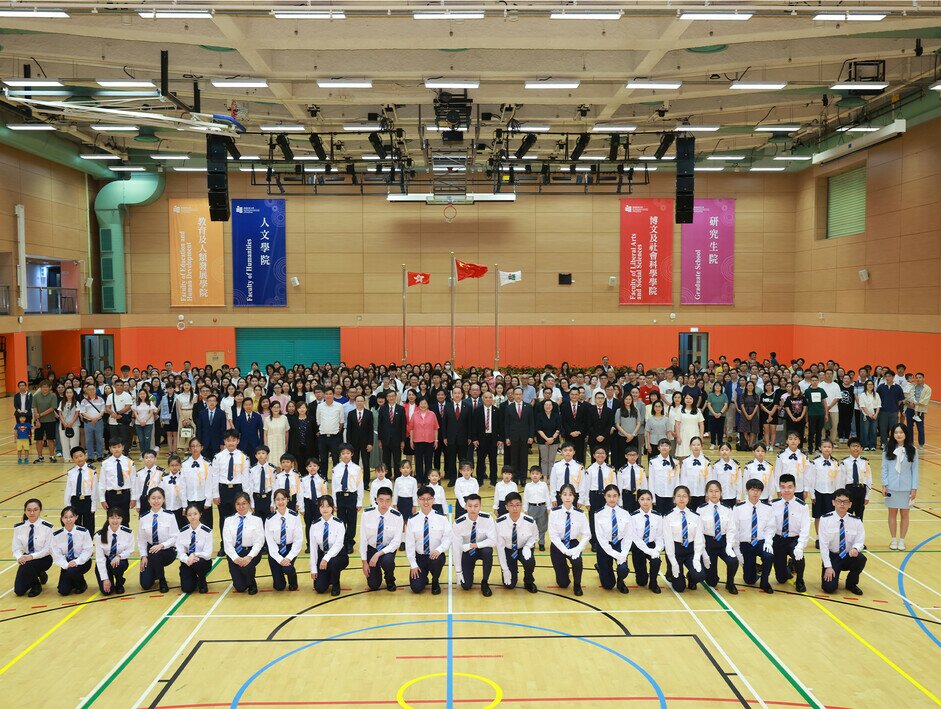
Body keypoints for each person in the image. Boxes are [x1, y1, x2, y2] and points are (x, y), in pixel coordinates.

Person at [209, 430, 251, 554]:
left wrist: (246, 496)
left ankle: (239, 544)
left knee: (239, 518)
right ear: (224, 441)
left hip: (238, 490)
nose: (231, 443)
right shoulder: (218, 457)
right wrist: (215, 494)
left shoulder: (243, 457)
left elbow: (245, 478)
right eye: (228, 440)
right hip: (223, 490)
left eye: (233, 440)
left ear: (238, 441)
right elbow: (214, 476)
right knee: (224, 519)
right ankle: (225, 545)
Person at [819, 488, 866, 595]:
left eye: (845, 502)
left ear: (850, 505)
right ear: (833, 502)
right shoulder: (825, 520)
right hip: (833, 557)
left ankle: (851, 583)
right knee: (829, 588)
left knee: (861, 558)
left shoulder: (856, 521)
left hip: (848, 556)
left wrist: (855, 549)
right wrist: (828, 566)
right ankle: (832, 574)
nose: (842, 504)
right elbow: (823, 546)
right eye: (839, 501)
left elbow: (860, 540)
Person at [405, 486, 452, 595]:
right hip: (419, 557)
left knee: (437, 560)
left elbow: (448, 538)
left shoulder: (441, 518)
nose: (426, 502)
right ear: (418, 500)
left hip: (435, 555)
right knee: (416, 588)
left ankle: (435, 581)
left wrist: (439, 549)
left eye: (429, 498)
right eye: (422, 499)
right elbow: (410, 544)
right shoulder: (412, 520)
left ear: (433, 500)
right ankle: (423, 576)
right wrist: (413, 565)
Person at [732, 479, 775, 593]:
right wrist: (737, 551)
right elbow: (734, 530)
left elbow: (770, 528)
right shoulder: (738, 508)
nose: (755, 493)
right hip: (745, 543)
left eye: (758, 490)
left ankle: (764, 582)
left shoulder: (768, 508)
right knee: (749, 580)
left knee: (769, 556)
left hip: (761, 542)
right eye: (752, 490)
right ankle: (754, 569)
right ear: (747, 491)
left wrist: (768, 542)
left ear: (761, 492)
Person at [548, 483, 590, 596]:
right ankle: (564, 569)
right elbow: (553, 535)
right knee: (563, 584)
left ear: (574, 497)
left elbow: (587, 534)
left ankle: (577, 584)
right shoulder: (554, 512)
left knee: (577, 561)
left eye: (570, 495)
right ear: (560, 496)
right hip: (558, 545)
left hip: (573, 543)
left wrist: (578, 549)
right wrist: (565, 550)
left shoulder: (580, 514)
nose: (567, 497)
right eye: (565, 494)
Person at [882, 423, 919, 551]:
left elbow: (915, 470)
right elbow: (884, 468)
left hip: (906, 487)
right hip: (891, 487)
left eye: (901, 432)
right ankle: (893, 539)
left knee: (905, 514)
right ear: (892, 434)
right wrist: (885, 485)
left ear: (905, 434)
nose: (898, 434)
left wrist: (914, 488)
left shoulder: (912, 450)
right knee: (892, 513)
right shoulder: (887, 449)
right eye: (896, 432)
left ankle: (902, 540)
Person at [771, 474, 810, 593]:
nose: (786, 490)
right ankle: (789, 567)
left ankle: (799, 580)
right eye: (783, 487)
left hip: (794, 539)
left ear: (795, 487)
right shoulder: (773, 504)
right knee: (781, 579)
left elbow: (805, 528)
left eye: (789, 487)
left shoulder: (802, 506)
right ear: (779, 488)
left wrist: (800, 546)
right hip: (779, 539)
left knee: (799, 556)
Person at [662, 486, 706, 592]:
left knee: (700, 575)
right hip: (675, 550)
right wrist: (673, 561)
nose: (681, 499)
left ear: (688, 499)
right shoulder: (668, 517)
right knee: (680, 588)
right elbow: (668, 542)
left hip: (690, 550)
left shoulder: (696, 516)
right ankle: (671, 571)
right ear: (674, 498)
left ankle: (691, 577)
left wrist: (696, 559)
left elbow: (699, 539)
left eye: (684, 496)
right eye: (678, 496)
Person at [698, 480, 739, 594]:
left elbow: (731, 529)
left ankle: (730, 583)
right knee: (711, 582)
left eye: (716, 491)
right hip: (708, 543)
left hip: (723, 542)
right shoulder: (701, 509)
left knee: (733, 561)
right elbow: (699, 532)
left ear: (721, 493)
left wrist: (729, 546)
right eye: (710, 491)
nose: (714, 494)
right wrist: (703, 550)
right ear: (707, 493)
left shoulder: (727, 509)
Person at [359, 488, 404, 592]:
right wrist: (364, 562)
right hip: (371, 548)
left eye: (388, 500)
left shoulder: (397, 516)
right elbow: (363, 539)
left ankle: (390, 579)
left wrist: (378, 554)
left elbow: (396, 542)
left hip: (387, 549)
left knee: (387, 561)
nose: (384, 504)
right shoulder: (367, 514)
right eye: (381, 500)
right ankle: (376, 572)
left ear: (391, 501)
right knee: (374, 585)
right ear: (376, 500)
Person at [452, 493, 496, 596]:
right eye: (470, 506)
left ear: (480, 506)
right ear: (465, 506)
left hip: (481, 549)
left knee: (488, 551)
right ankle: (468, 575)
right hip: (467, 552)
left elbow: (493, 541)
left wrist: (473, 545)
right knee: (466, 586)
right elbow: (456, 548)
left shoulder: (488, 518)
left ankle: (485, 582)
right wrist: (458, 571)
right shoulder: (458, 523)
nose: (473, 509)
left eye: (476, 506)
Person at [138, 487, 179, 594]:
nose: (156, 501)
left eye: (159, 498)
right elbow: (141, 539)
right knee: (145, 585)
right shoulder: (143, 517)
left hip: (167, 550)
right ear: (148, 500)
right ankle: (156, 571)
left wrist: (161, 546)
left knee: (156, 553)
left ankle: (162, 580)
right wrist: (143, 556)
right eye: (153, 498)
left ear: (164, 499)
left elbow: (175, 537)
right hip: (150, 550)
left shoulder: (170, 516)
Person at [223, 492, 265, 594]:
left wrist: (249, 557)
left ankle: (252, 584)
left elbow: (259, 542)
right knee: (240, 588)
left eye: (244, 503)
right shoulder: (228, 521)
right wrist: (235, 558)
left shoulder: (257, 520)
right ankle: (243, 577)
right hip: (235, 554)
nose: (241, 506)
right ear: (235, 505)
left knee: (247, 567)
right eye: (238, 504)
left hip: (250, 553)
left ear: (249, 503)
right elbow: (227, 543)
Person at [594, 484, 633, 593]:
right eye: (609, 496)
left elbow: (628, 536)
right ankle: (601, 568)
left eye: (615, 496)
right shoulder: (598, 514)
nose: (612, 499)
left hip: (619, 544)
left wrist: (623, 553)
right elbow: (600, 538)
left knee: (623, 569)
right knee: (608, 585)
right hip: (605, 546)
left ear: (619, 497)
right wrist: (615, 554)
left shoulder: (625, 513)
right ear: (604, 496)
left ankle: (621, 581)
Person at [12, 498, 54, 597]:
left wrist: (31, 557)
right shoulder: (19, 527)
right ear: (25, 511)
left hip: (43, 558)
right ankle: (38, 574)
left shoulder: (48, 527)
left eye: (35, 510)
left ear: (40, 510)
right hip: (26, 560)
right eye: (29, 510)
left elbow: (48, 549)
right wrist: (19, 558)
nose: (32, 512)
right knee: (19, 591)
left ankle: (36, 584)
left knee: (28, 565)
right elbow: (16, 548)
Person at [265, 489, 304, 592]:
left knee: (288, 568)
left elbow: (298, 540)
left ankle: (293, 581)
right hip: (275, 551)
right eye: (277, 499)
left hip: (289, 548)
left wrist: (288, 558)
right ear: (274, 501)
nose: (280, 502)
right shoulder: (269, 519)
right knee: (279, 587)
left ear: (287, 500)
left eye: (283, 499)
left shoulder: (295, 517)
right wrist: (279, 559)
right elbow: (270, 542)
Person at [51, 506, 94, 595]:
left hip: (82, 562)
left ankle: (81, 584)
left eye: (71, 517)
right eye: (65, 517)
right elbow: (56, 554)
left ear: (76, 517)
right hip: (67, 563)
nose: (68, 520)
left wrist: (77, 561)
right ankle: (73, 581)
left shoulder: (83, 532)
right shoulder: (56, 535)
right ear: (62, 519)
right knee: (63, 591)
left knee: (72, 571)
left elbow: (88, 550)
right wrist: (66, 564)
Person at [331, 444, 364, 554]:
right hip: (340, 496)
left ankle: (350, 542)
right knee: (341, 520)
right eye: (343, 453)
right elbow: (334, 487)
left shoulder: (357, 469)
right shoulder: (336, 469)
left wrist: (359, 501)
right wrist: (334, 502)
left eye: (348, 453)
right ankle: (342, 542)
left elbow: (360, 485)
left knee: (351, 520)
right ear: (340, 455)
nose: (345, 456)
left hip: (352, 496)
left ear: (352, 454)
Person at [629, 490, 664, 594]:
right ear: (638, 500)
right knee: (641, 581)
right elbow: (634, 537)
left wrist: (657, 550)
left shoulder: (657, 516)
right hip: (639, 546)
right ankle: (643, 575)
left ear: (652, 500)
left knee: (656, 559)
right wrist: (647, 550)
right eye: (642, 499)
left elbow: (660, 536)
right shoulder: (633, 516)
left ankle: (653, 582)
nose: (645, 502)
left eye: (648, 499)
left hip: (652, 543)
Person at [94, 508, 133, 595]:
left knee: (117, 565)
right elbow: (100, 559)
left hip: (120, 560)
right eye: (112, 518)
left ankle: (119, 583)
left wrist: (119, 556)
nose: (115, 520)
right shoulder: (99, 535)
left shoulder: (128, 533)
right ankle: (110, 578)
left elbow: (130, 550)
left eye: (118, 518)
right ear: (108, 519)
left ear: (122, 519)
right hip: (105, 562)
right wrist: (105, 579)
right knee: (106, 592)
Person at [177, 502, 214, 594]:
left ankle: (202, 581)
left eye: (195, 514)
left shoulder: (207, 531)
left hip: (202, 561)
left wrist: (194, 555)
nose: (192, 517)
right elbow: (180, 551)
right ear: (186, 516)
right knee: (187, 589)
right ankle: (192, 577)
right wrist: (187, 559)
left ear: (200, 514)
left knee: (199, 564)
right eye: (189, 515)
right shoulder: (182, 531)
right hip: (188, 561)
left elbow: (208, 554)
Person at [98, 439, 134, 523]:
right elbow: (102, 482)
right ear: (110, 449)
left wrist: (133, 498)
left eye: (119, 447)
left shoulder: (129, 462)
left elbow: (133, 482)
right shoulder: (105, 463)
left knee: (125, 520)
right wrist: (102, 499)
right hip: (111, 496)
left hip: (125, 495)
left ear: (123, 447)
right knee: (112, 520)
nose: (116, 449)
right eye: (114, 447)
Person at [504, 387, 535, 484]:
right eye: (516, 394)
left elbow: (531, 423)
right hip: (513, 437)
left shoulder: (528, 407)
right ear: (513, 395)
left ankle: (523, 478)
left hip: (525, 437)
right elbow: (507, 424)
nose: (518, 396)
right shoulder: (509, 407)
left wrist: (531, 436)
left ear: (522, 395)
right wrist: (507, 437)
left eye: (520, 394)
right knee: (514, 459)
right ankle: (515, 478)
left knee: (524, 459)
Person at [63, 445, 97, 531]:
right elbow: (68, 489)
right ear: (73, 459)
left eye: (81, 456)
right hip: (75, 501)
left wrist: (93, 506)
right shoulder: (71, 472)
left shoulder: (92, 471)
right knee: (76, 525)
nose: (79, 459)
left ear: (85, 455)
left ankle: (89, 542)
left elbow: (94, 489)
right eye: (76, 457)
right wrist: (67, 505)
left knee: (89, 525)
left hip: (87, 500)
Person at [840, 437, 872, 524]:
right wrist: (842, 494)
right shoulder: (844, 462)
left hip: (861, 489)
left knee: (859, 515)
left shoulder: (865, 462)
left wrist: (867, 496)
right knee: (847, 514)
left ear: (861, 448)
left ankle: (858, 536)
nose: (855, 448)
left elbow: (869, 479)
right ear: (849, 448)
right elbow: (841, 480)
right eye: (853, 446)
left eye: (858, 446)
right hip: (849, 490)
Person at [182, 438, 213, 530]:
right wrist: (184, 505)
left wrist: (208, 501)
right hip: (190, 499)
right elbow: (183, 485)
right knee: (190, 526)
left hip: (203, 499)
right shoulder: (185, 464)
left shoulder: (207, 463)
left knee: (206, 525)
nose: (195, 448)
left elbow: (209, 483)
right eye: (193, 446)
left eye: (197, 446)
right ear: (190, 448)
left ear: (202, 447)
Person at [471, 390, 500, 485]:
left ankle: (493, 479)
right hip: (481, 439)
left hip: (493, 439)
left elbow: (501, 426)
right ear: (482, 399)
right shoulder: (477, 411)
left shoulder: (497, 411)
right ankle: (479, 480)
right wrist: (474, 439)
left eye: (490, 397)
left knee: (493, 460)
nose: (488, 399)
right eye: (486, 397)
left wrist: (500, 439)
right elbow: (473, 426)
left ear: (493, 399)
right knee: (480, 460)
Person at [408, 397, 438, 485]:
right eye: (421, 403)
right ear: (418, 405)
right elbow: (411, 429)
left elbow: (435, 428)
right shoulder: (415, 414)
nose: (423, 405)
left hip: (430, 441)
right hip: (418, 441)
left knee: (428, 462)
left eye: (425, 403)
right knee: (418, 462)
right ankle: (419, 480)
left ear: (428, 405)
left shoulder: (432, 414)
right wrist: (411, 440)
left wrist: (436, 440)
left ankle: (427, 480)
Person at [378, 389, 407, 477]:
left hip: (397, 439)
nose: (391, 398)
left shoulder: (401, 409)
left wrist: (403, 440)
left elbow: (403, 426)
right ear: (386, 398)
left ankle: (398, 476)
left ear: (395, 397)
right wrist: (379, 439)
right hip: (385, 439)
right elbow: (380, 425)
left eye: (393, 396)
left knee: (397, 460)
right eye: (389, 396)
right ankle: (387, 476)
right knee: (386, 460)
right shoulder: (382, 409)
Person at [549, 442, 586, 508]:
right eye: (565, 450)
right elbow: (553, 483)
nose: (568, 452)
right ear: (561, 452)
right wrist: (553, 498)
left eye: (570, 450)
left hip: (574, 495)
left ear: (574, 452)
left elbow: (582, 484)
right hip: (559, 494)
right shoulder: (556, 466)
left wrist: (581, 499)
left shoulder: (579, 467)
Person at [32, 380, 60, 463]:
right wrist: (37, 420)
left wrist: (40, 415)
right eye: (43, 387)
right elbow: (34, 408)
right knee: (38, 440)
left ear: (50, 387)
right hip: (38, 422)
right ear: (40, 388)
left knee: (50, 439)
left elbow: (52, 408)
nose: (45, 388)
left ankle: (52, 456)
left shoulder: (53, 396)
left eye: (47, 387)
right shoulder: (36, 396)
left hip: (50, 420)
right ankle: (40, 457)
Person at [775, 432, 809, 500]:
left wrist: (806, 489)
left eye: (795, 439)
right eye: (790, 439)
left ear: (799, 441)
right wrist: (778, 489)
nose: (793, 441)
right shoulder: (781, 455)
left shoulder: (804, 456)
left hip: (799, 488)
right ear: (787, 441)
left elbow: (806, 473)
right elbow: (777, 473)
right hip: (785, 488)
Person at [523, 465, 550, 550]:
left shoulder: (544, 485)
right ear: (530, 475)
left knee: (542, 526)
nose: (535, 475)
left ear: (541, 475)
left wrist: (548, 507)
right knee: (531, 526)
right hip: (532, 507)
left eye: (537, 474)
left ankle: (541, 543)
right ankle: (532, 543)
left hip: (542, 507)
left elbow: (547, 496)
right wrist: (525, 509)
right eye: (533, 473)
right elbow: (525, 498)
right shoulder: (528, 486)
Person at [649, 439, 679, 515]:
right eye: (662, 446)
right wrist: (652, 497)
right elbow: (651, 480)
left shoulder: (675, 462)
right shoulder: (653, 461)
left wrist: (676, 496)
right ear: (658, 448)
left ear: (670, 448)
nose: (664, 448)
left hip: (671, 494)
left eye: (666, 446)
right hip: (658, 494)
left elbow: (677, 480)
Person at [560, 386, 589, 465]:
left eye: (576, 394)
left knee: (580, 455)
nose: (574, 396)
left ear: (579, 395)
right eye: (572, 394)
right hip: (568, 435)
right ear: (569, 395)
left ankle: (580, 473)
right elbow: (563, 421)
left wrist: (579, 431)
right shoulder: (564, 406)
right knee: (569, 455)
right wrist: (570, 432)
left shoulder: (584, 406)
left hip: (580, 435)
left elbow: (585, 421)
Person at [679, 436, 710, 510]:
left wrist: (707, 494)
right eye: (693, 445)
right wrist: (683, 494)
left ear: (701, 446)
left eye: (698, 445)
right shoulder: (685, 462)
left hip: (702, 493)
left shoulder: (706, 462)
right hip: (689, 494)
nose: (696, 447)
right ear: (690, 446)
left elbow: (709, 479)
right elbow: (683, 479)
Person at [534, 397, 561, 481]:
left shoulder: (556, 416)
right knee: (544, 460)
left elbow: (559, 428)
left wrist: (552, 438)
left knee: (551, 460)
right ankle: (545, 477)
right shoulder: (539, 416)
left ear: (552, 406)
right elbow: (538, 429)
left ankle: (551, 477)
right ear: (543, 406)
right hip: (542, 441)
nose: (548, 406)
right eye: (546, 405)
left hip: (554, 441)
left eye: (550, 405)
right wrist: (547, 439)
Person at [132, 448, 164, 518]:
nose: (149, 459)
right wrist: (138, 504)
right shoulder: (139, 473)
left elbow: (162, 489)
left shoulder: (160, 472)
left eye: (151, 457)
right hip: (143, 500)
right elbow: (137, 489)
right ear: (143, 460)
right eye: (146, 458)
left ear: (155, 459)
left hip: (156, 500)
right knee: (144, 522)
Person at [876, 372, 904, 448]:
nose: (887, 378)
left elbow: (900, 400)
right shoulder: (881, 387)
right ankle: (883, 443)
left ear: (893, 377)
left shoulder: (898, 387)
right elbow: (877, 398)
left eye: (889, 376)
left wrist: (894, 406)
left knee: (893, 428)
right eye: (886, 376)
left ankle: (893, 443)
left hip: (894, 412)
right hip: (883, 411)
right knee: (883, 428)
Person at [247, 445, 276, 520]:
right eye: (258, 453)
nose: (261, 455)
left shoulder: (272, 469)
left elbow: (274, 486)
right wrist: (252, 504)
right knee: (257, 522)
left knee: (268, 522)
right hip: (257, 499)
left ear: (267, 455)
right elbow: (250, 487)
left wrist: (273, 503)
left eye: (263, 453)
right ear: (256, 456)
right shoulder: (252, 470)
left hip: (268, 498)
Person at [904, 372, 930, 450]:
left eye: (920, 377)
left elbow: (926, 400)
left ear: (923, 378)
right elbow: (906, 396)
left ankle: (921, 444)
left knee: (920, 428)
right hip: (909, 409)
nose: (918, 379)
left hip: (919, 410)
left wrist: (916, 404)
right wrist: (909, 402)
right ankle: (910, 443)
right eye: (917, 377)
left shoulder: (927, 389)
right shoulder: (912, 386)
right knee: (909, 427)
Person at [674, 393, 705, 458]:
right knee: (682, 455)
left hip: (695, 434)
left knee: (695, 455)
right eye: (687, 398)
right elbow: (677, 424)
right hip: (683, 435)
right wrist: (678, 437)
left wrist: (701, 437)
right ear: (684, 399)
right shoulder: (680, 410)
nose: (688, 400)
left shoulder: (697, 410)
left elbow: (701, 424)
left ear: (693, 400)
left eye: (690, 398)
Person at [198, 394, 227, 462]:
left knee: (216, 461)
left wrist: (222, 443)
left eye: (214, 401)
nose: (212, 402)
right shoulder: (202, 413)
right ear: (207, 402)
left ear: (216, 402)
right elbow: (199, 429)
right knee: (205, 461)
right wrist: (199, 443)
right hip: (204, 442)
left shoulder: (221, 413)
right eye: (210, 401)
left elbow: (223, 429)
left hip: (217, 442)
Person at [57, 387, 81, 463]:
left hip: (74, 425)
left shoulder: (76, 402)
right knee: (64, 442)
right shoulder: (62, 402)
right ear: (65, 394)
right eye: (67, 392)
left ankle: (75, 457)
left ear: (73, 393)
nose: (69, 394)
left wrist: (71, 422)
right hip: (63, 425)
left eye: (70, 392)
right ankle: (66, 458)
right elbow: (60, 413)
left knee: (74, 442)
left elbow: (77, 413)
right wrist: (64, 422)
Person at [132, 389, 158, 458]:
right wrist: (140, 421)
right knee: (141, 439)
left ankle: (147, 453)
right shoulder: (136, 403)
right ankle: (142, 453)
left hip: (148, 423)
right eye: (141, 394)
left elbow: (151, 412)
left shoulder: (150, 402)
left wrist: (145, 420)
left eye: (144, 393)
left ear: (146, 394)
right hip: (138, 424)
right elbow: (135, 413)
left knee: (147, 439)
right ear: (139, 395)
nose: (142, 395)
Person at [857, 379, 880, 451]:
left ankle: (873, 445)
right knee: (865, 431)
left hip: (874, 414)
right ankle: (865, 445)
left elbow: (879, 405)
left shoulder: (876, 394)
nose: (870, 386)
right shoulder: (863, 395)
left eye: (871, 384)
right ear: (866, 386)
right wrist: (869, 414)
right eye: (868, 384)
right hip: (865, 415)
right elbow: (862, 406)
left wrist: (876, 414)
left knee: (873, 431)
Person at [705, 382, 729, 450]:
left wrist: (720, 413)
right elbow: (708, 404)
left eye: (719, 386)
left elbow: (726, 404)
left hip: (721, 415)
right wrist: (714, 413)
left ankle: (719, 444)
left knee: (720, 430)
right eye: (716, 386)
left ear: (721, 387)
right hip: (712, 415)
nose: (717, 387)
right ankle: (712, 443)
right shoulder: (710, 395)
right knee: (712, 429)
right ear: (714, 387)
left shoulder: (724, 395)